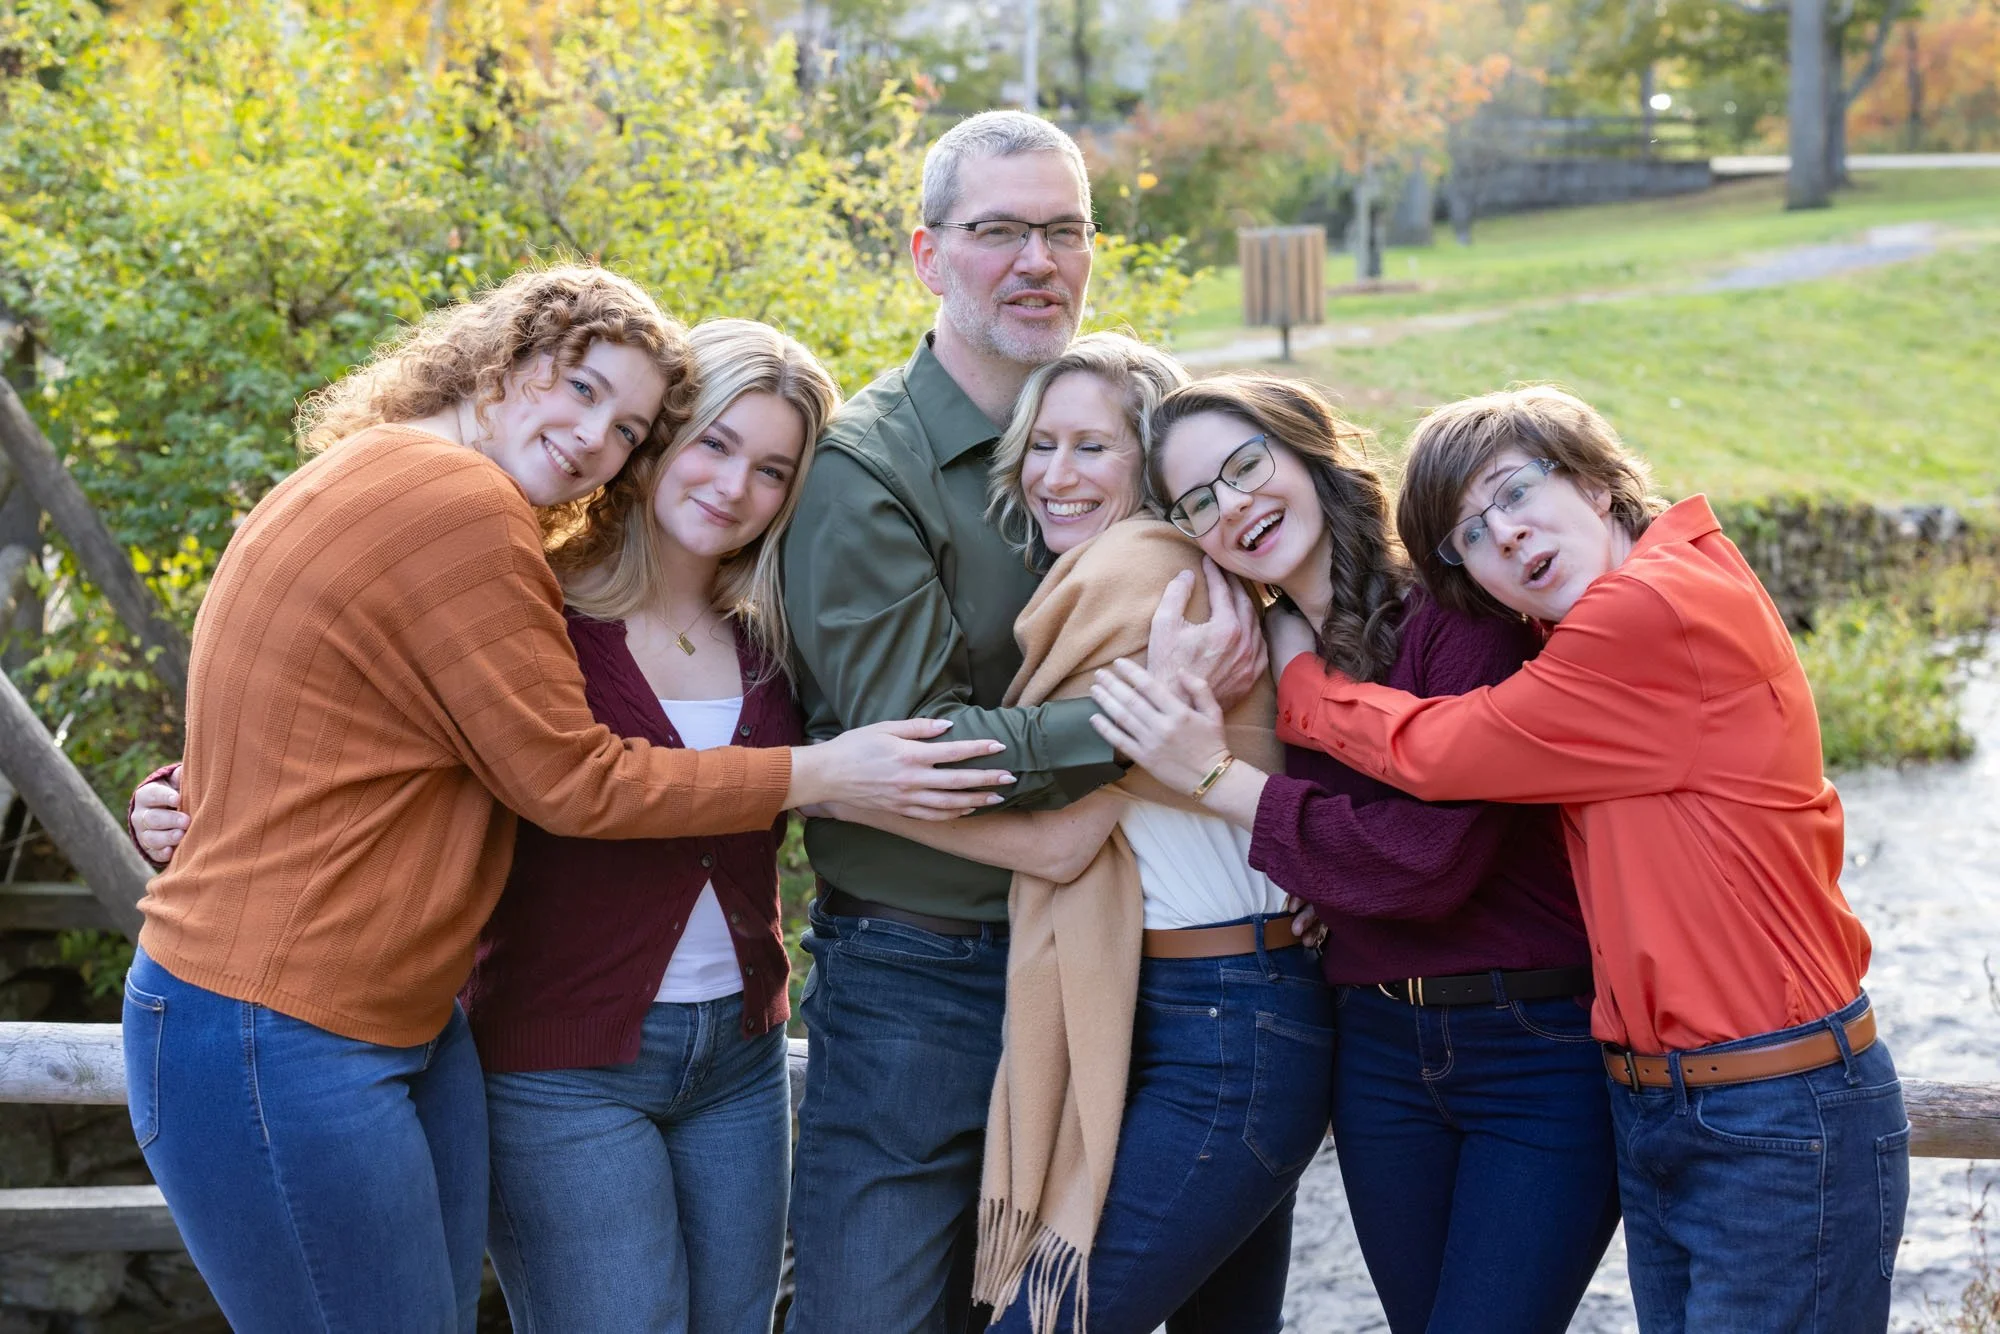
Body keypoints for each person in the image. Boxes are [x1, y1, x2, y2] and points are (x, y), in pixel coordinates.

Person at [120, 267, 1015, 1334]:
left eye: (625, 422)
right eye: (582, 389)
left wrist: (196, 794)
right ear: (500, 362)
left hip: (629, 1037)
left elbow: (350, 707)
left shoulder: (748, 615)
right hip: (342, 1019)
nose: (596, 437)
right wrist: (185, 792)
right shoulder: (486, 533)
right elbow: (560, 773)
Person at [1108, 383, 1907, 1333]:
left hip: (1712, 1082)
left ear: (1600, 484)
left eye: (1519, 495)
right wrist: (1325, 871)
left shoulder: (1628, 615)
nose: (1506, 539)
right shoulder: (1550, 613)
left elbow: (1429, 819)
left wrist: (1235, 746)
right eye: (1475, 532)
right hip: (1605, 1083)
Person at [777, 112, 1260, 1334]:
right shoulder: (866, 468)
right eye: (998, 231)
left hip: (1127, 957)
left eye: (1063, 230)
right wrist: (1145, 715)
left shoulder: (1138, 430)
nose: (1035, 260)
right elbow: (919, 746)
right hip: (917, 973)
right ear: (929, 256)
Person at [1076, 373, 1620, 1333]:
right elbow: (1336, 848)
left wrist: (1210, 774)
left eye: (1248, 466)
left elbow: (1424, 861)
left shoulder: (1458, 615)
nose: (1234, 506)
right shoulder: (1264, 647)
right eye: (1200, 501)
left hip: (1532, 1046)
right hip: (1375, 1054)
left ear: (1310, 449)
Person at [813, 335, 1333, 1334]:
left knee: (1046, 1320)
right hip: (1216, 1001)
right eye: (1038, 445)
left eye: (1091, 447)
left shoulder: (1144, 585)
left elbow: (1060, 844)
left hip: (1227, 1025)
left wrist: (841, 790)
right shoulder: (1148, 578)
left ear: (1153, 460)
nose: (1054, 475)